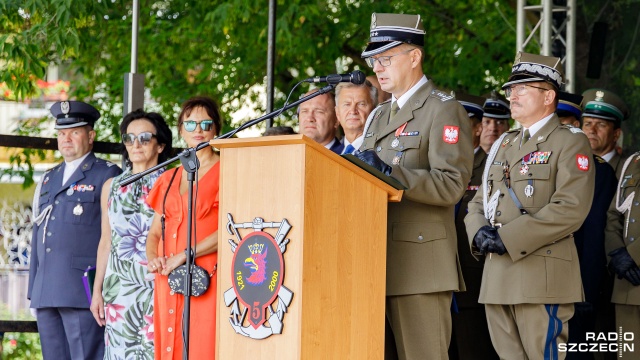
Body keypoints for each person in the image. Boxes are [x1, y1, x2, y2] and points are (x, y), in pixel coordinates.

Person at [356, 13, 473, 359]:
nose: (378, 67)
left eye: (387, 58)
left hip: (421, 268)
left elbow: (452, 184)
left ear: (415, 57)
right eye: (375, 60)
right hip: (376, 262)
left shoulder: (443, 110)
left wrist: (393, 174)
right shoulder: (379, 115)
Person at [464, 52, 595, 359]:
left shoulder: (570, 142)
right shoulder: (503, 143)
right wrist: (478, 231)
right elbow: (478, 201)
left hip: (541, 279)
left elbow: (570, 209)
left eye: (523, 88)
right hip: (497, 280)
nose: (513, 95)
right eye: (511, 89)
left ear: (548, 95)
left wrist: (507, 238)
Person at [28, 100, 122, 359]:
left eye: (74, 132)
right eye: (61, 133)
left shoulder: (107, 174)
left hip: (84, 290)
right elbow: (39, 234)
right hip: (46, 290)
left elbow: (112, 236)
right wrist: (33, 292)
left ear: (91, 136)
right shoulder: (48, 177)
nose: (66, 139)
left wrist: (101, 289)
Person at [90, 109, 173, 359]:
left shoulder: (174, 181)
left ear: (160, 145)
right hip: (118, 290)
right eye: (129, 138)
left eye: (145, 138)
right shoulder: (111, 186)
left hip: (157, 284)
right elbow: (106, 242)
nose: (136, 144)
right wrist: (97, 292)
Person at [145, 96, 220, 359]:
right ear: (180, 130)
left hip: (206, 276)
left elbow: (229, 230)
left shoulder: (227, 169)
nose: (198, 130)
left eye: (205, 123)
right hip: (169, 278)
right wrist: (153, 259)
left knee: (201, 346)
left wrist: (185, 255)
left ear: (216, 129)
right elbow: (155, 232)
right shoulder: (169, 177)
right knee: (169, 346)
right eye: (190, 124)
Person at [556, 92, 618, 360]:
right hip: (532, 285)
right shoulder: (523, 161)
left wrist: (585, 291)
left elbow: (593, 233)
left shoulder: (597, 170)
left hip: (574, 287)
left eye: (567, 124)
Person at [450, 93, 498, 360]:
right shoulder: (438, 163)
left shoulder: (491, 167)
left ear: (479, 128)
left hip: (474, 282)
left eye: (461, 122)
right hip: (439, 281)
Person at [606, 148, 640, 358]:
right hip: (627, 283)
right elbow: (613, 214)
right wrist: (616, 252)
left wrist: (633, 255)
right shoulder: (634, 162)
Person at [581, 89, 629, 178]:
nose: (592, 130)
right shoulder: (571, 165)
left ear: (616, 134)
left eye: (601, 125)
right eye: (588, 124)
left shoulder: (628, 170)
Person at [334, 80, 377, 154]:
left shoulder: (382, 152)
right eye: (347, 104)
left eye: (361, 104)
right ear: (337, 113)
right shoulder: (330, 155)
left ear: (374, 111)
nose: (353, 111)